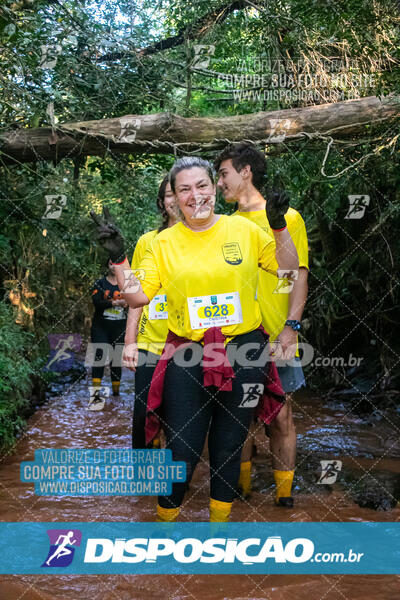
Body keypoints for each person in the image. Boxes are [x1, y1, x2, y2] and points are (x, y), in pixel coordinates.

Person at [90, 156, 299, 522]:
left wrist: (279, 227)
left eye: (202, 185)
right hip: (186, 354)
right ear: (174, 196)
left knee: (228, 448)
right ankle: (164, 529)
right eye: (184, 189)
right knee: (182, 451)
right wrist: (120, 261)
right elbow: (138, 297)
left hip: (244, 351)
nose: (195, 195)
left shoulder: (245, 231)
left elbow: (287, 270)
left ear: (214, 188)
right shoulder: (163, 243)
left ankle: (216, 537)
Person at [215, 142, 309, 507]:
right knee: (239, 418)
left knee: (281, 416)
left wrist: (291, 327)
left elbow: (297, 275)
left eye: (223, 174)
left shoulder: (288, 218)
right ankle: (242, 491)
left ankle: (284, 498)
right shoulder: (223, 226)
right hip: (235, 338)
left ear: (245, 171)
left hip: (278, 332)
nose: (219, 183)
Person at [123, 176, 178, 447]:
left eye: (181, 192)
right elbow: (136, 293)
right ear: (161, 202)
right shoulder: (148, 241)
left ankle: (176, 485)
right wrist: (130, 342)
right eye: (170, 194)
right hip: (151, 341)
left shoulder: (206, 239)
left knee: (181, 417)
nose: (176, 200)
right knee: (144, 414)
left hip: (192, 343)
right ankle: (144, 483)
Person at [89, 259, 128, 410]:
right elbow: (96, 302)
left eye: (116, 264)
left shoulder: (126, 283)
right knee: (100, 355)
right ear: (108, 265)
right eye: (111, 263)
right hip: (101, 325)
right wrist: (114, 303)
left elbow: (136, 302)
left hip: (119, 326)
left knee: (116, 358)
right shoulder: (100, 283)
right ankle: (96, 396)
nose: (113, 266)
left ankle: (116, 394)